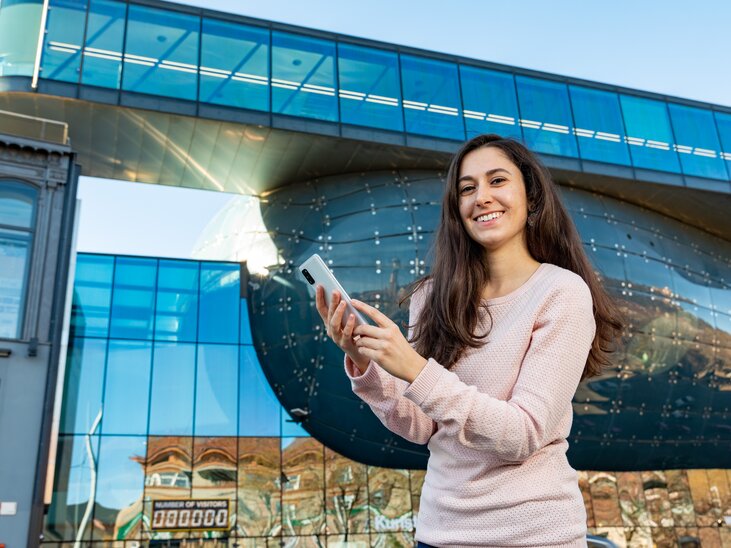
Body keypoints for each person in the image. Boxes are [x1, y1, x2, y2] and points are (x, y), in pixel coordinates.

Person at [315, 133, 623, 547]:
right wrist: (366, 361)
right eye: (467, 188)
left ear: (531, 198)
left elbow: (522, 434)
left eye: (497, 181)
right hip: (441, 534)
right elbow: (422, 426)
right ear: (457, 210)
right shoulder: (431, 297)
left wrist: (413, 367)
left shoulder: (561, 292)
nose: (481, 197)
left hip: (534, 536)